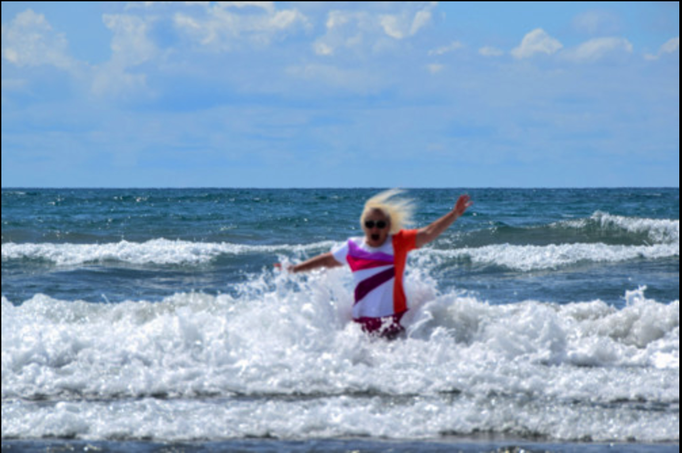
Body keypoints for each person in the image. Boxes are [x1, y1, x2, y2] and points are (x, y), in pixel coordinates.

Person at [278, 189, 473, 338]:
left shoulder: (398, 242)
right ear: (364, 226)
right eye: (370, 223)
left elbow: (429, 232)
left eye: (380, 224)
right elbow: (327, 260)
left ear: (388, 227)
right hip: (360, 323)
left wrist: (454, 214)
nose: (375, 228)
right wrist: (295, 269)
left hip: (393, 321)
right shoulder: (352, 247)